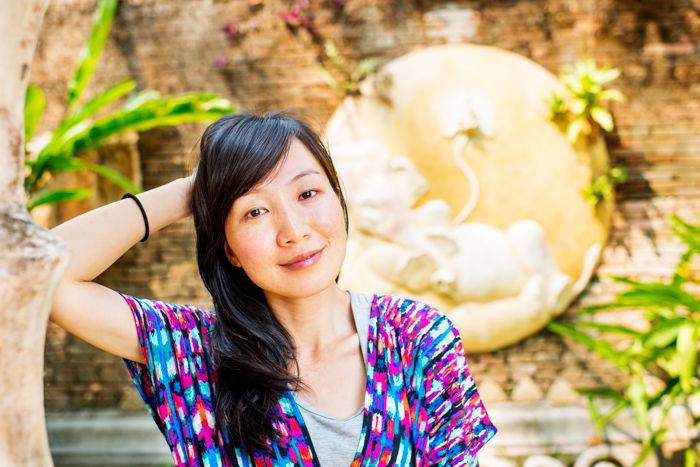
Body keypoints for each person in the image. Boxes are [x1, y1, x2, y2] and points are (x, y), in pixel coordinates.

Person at [50, 110, 497, 466]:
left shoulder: (418, 337)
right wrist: (200, 190)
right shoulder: (195, 353)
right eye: (254, 212)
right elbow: (42, 273)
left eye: (307, 195)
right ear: (228, 248)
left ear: (339, 203)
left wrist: (241, 189)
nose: (294, 232)